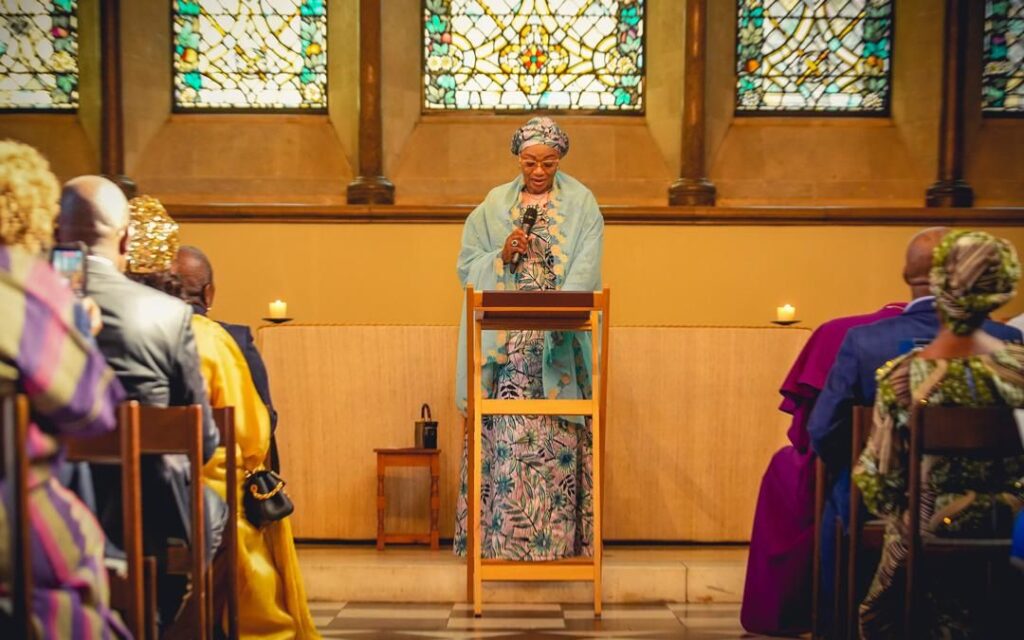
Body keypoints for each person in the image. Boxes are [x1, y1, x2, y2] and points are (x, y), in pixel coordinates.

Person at [805, 227, 1022, 623]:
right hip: (1009, 520)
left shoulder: (902, 374)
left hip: (920, 520)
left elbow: (834, 441)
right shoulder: (1016, 355)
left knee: (846, 492)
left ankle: (840, 620)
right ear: (1002, 290)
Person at [126, 197, 319, 639]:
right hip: (204, 501)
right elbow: (253, 434)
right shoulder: (210, 339)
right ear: (208, 294)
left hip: (125, 500)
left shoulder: (118, 330)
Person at [56, 179, 227, 629]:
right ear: (126, 239)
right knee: (213, 512)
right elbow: (202, 441)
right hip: (147, 518)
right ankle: (163, 622)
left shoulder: (30, 307)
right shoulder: (167, 314)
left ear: (56, 233)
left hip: (48, 512)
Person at [453, 117, 604, 560]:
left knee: (555, 440)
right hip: (508, 348)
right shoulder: (493, 205)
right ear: (518, 159)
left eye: (548, 163)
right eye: (530, 162)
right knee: (510, 440)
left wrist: (558, 312)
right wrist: (500, 255)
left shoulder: (582, 204)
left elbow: (586, 267)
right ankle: (502, 543)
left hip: (558, 344)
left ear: (560, 160)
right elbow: (467, 265)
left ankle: (554, 544)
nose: (538, 171)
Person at [0, 140, 128, 638]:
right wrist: (81, 334)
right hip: (12, 519)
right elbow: (94, 411)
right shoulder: (23, 284)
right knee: (81, 545)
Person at [740, 301, 906, 635]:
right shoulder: (1000, 340)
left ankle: (829, 619)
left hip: (862, 482)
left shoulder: (847, 335)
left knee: (794, 472)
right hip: (970, 496)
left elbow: (816, 430)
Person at [174, 245, 281, 471]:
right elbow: (261, 426)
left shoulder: (138, 337)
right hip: (221, 478)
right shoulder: (233, 340)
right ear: (208, 293)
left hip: (150, 479)